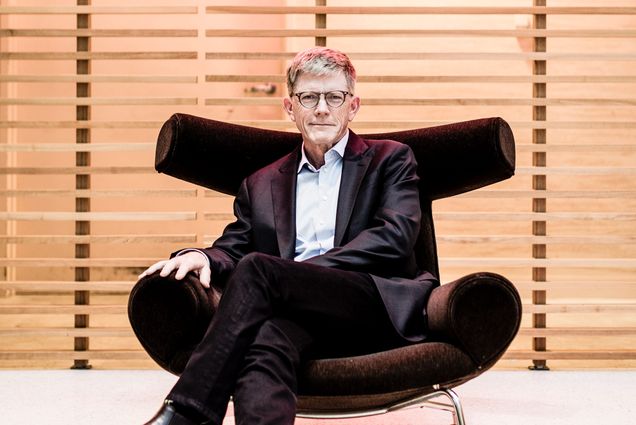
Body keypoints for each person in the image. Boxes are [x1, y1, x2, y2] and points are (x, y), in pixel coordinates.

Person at [141, 46, 439, 425]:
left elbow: (394, 238)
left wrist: (294, 275)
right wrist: (200, 256)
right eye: (309, 97)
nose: (321, 108)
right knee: (264, 344)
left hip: (370, 303)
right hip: (293, 312)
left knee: (261, 271)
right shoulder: (261, 183)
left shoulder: (391, 159)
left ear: (354, 105)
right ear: (289, 107)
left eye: (335, 97)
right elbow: (234, 249)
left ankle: (187, 411)